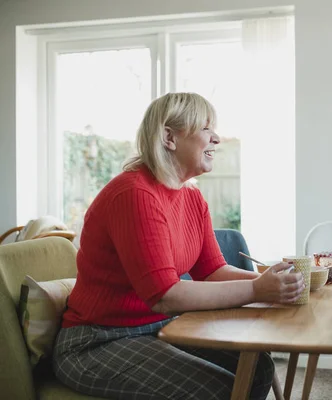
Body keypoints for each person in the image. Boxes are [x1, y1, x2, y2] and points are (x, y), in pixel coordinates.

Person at [53, 92, 305, 400]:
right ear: (169, 137)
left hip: (161, 327)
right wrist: (258, 290)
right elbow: (164, 295)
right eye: (206, 129)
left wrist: (280, 284)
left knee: (258, 368)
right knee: (216, 390)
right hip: (98, 341)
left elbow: (212, 270)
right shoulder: (135, 193)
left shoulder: (191, 197)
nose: (217, 138)